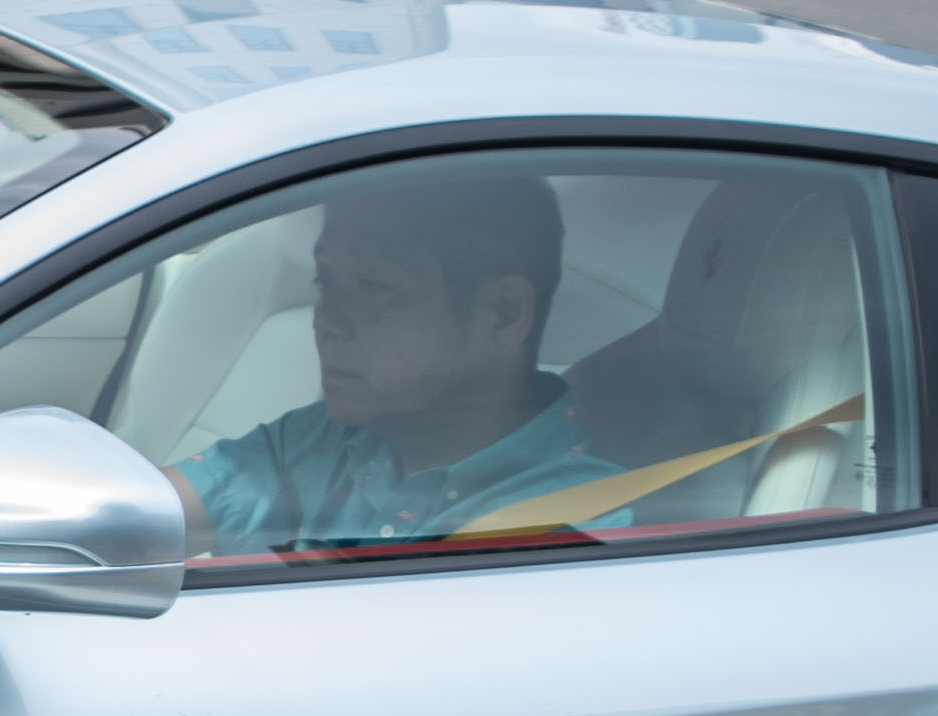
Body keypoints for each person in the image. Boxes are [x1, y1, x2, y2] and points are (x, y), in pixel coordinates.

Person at [174, 173, 617, 559]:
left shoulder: (578, 532)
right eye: (325, 281)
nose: (327, 321)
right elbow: (145, 510)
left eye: (373, 286)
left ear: (501, 314)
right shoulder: (321, 441)